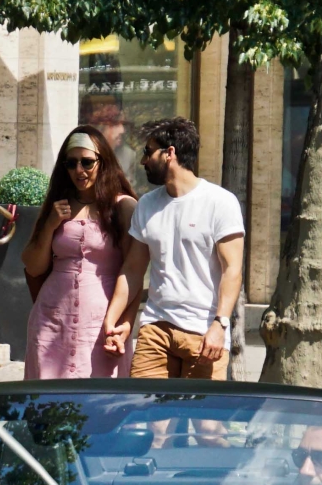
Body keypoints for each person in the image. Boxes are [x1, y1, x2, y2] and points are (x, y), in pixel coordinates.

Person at [104, 116, 245, 378]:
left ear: (170, 153)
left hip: (205, 332)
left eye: (148, 152)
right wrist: (113, 320)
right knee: (147, 416)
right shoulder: (146, 204)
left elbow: (232, 270)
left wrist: (220, 324)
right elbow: (133, 269)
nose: (143, 161)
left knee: (206, 420)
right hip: (155, 329)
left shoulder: (220, 202)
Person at [22, 126, 136, 378]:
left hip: (101, 322)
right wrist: (51, 225)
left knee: (100, 400)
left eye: (87, 162)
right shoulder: (57, 205)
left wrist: (125, 324)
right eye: (71, 163)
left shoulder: (123, 207)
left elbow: (133, 274)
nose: (79, 171)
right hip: (52, 321)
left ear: (103, 162)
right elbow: (33, 266)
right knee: (48, 403)